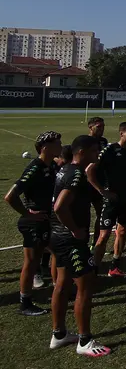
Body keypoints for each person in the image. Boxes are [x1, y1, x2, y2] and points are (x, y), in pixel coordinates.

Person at [50, 135, 111, 356]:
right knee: (85, 287)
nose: (97, 155)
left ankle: (59, 334)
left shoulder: (65, 169)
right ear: (82, 152)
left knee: (62, 284)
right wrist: (75, 229)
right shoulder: (76, 173)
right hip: (71, 240)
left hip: (58, 237)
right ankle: (84, 341)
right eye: (95, 151)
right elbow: (59, 207)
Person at [4, 131, 61, 316]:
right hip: (34, 223)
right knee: (31, 262)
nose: (60, 146)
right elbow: (10, 197)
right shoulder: (34, 168)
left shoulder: (51, 165)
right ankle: (25, 303)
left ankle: (59, 290)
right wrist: (28, 213)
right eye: (57, 144)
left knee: (59, 253)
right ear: (45, 148)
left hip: (47, 220)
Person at [87, 121, 126, 278]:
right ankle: (94, 271)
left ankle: (115, 266)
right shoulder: (110, 150)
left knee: (123, 231)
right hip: (111, 199)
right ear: (121, 134)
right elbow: (90, 170)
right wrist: (102, 191)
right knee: (104, 235)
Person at [87, 117, 108, 247]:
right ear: (91, 127)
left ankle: (96, 244)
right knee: (83, 216)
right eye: (98, 126)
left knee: (101, 214)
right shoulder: (84, 141)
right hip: (86, 183)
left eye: (103, 126)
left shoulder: (103, 141)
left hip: (100, 182)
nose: (102, 129)